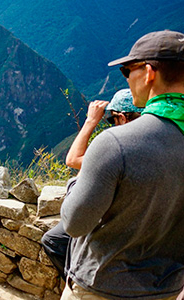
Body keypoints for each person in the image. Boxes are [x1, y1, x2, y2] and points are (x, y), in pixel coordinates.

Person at [60, 30, 184, 299]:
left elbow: (73, 223)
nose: (127, 79)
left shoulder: (116, 143)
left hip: (103, 286)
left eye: (128, 70)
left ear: (149, 72)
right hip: (166, 290)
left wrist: (75, 184)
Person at [42, 89, 142, 279]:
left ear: (122, 118)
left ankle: (78, 283)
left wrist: (91, 121)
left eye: (112, 120)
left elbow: (72, 159)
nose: (111, 125)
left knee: (53, 240)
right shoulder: (159, 138)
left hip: (111, 217)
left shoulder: (117, 149)